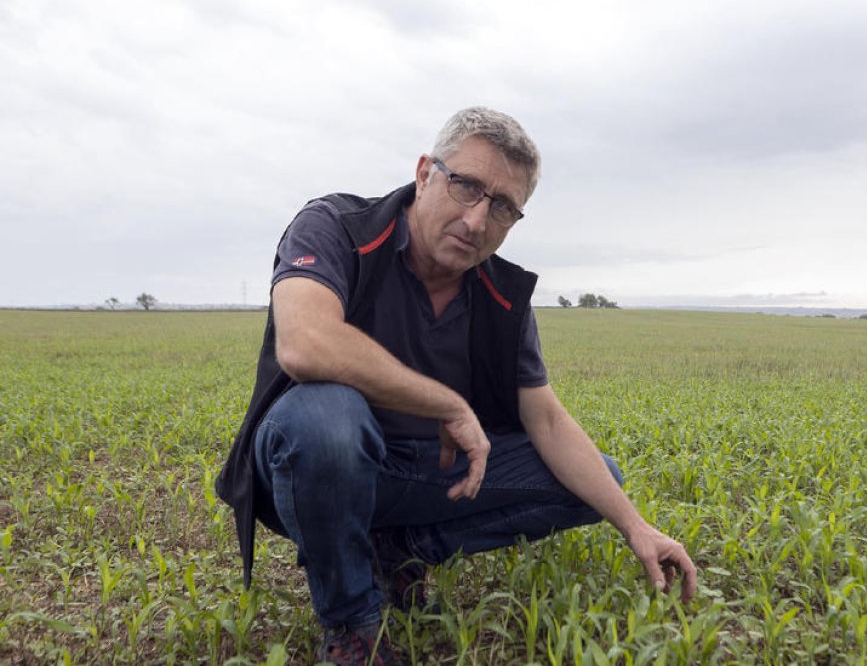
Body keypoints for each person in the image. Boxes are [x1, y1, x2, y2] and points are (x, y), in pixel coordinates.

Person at [215, 107, 697, 665]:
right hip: (317, 462)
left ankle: (402, 550)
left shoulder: (500, 295)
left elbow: (546, 418)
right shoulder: (338, 227)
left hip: (424, 474)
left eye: (502, 207)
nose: (476, 221)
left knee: (600, 482)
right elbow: (304, 343)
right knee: (325, 417)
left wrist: (638, 528)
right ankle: (353, 624)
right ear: (424, 174)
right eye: (465, 186)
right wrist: (445, 403)